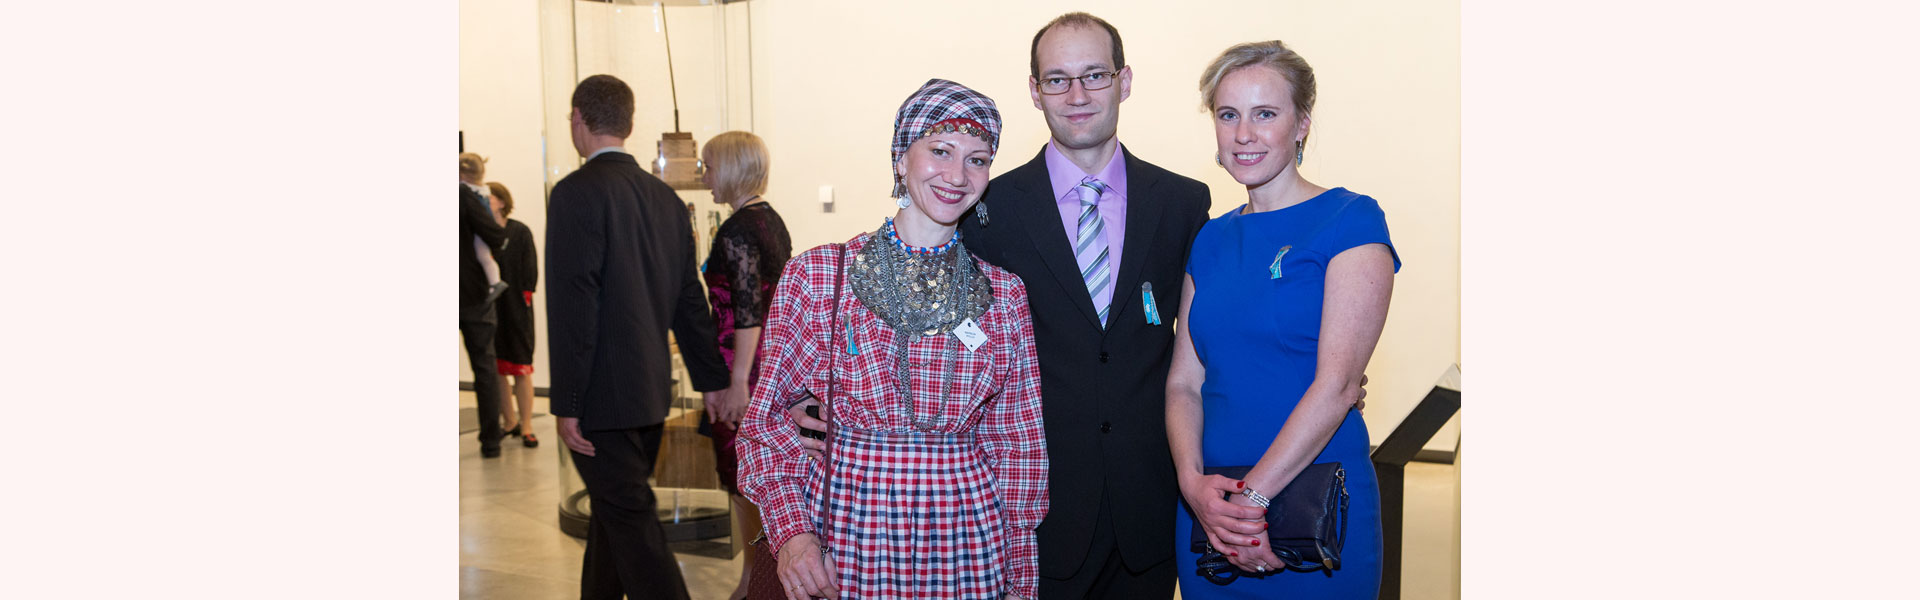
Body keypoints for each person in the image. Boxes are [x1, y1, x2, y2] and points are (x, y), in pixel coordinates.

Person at [738, 79, 1048, 600]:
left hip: (968, 544)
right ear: (901, 158)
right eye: (941, 151)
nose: (958, 175)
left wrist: (1020, 578)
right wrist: (793, 535)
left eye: (977, 159)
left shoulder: (1004, 294)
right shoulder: (820, 276)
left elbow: (1018, 449)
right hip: (846, 537)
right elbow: (765, 425)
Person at [952, 13, 1212, 599]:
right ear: (1034, 90)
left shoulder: (1182, 204)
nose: (1077, 95)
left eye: (1094, 75)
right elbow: (934, 330)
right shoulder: (988, 211)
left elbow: (1211, 336)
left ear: (1124, 81)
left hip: (1149, 508)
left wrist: (1300, 375)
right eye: (1057, 79)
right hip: (1035, 511)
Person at [1167, 40, 1400, 598]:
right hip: (1211, 511)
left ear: (1302, 124)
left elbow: (1338, 385)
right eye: (1229, 115)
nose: (1244, 133)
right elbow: (1184, 383)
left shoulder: (1350, 220)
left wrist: (1253, 501)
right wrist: (1193, 485)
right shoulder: (1210, 238)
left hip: (1314, 505)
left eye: (1265, 113)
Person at [545, 73, 733, 600]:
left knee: (631, 523)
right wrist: (711, 380)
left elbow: (574, 307)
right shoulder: (664, 199)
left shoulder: (574, 194)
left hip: (600, 399)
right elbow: (689, 300)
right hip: (650, 394)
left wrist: (568, 401)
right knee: (615, 518)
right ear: (627, 124)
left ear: (578, 121)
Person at [696, 130, 793, 600]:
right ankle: (753, 579)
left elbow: (747, 312)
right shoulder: (770, 220)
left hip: (743, 367)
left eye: (709, 166)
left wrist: (737, 382)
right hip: (766, 364)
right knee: (754, 477)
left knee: (743, 480)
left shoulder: (736, 229)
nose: (704, 177)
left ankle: (751, 583)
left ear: (733, 169)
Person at [460, 158, 511, 459]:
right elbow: (495, 235)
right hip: (472, 294)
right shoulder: (466, 196)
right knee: (484, 367)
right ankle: (491, 440)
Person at [487, 181, 539, 449]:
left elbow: (530, 270)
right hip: (490, 308)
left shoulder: (520, 231)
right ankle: (509, 422)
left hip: (516, 308)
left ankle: (527, 425)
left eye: (489, 197)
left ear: (502, 201)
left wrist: (524, 298)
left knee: (521, 368)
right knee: (496, 369)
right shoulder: (481, 231)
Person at [460, 153, 510, 303]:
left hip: (468, 287)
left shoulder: (465, 192)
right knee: (485, 256)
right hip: (470, 285)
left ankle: (495, 282)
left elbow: (490, 231)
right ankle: (495, 281)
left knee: (484, 256)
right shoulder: (481, 191)